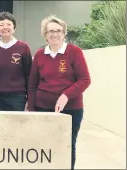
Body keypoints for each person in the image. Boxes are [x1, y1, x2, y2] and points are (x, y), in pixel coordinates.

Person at [28, 15, 91, 170]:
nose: (54, 34)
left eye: (58, 30)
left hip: (71, 109)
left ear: (64, 33)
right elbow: (32, 84)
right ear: (45, 34)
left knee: (68, 145)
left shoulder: (74, 52)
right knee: (45, 146)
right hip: (43, 108)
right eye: (50, 31)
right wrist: (31, 107)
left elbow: (85, 79)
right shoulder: (40, 55)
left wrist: (66, 95)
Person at [0, 11, 32, 111]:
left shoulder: (23, 48)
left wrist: (30, 98)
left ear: (14, 28)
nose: (5, 27)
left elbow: (28, 74)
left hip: (17, 97)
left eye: (8, 24)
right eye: (1, 25)